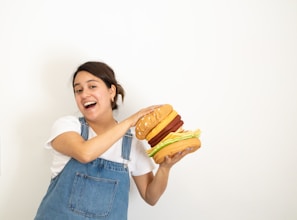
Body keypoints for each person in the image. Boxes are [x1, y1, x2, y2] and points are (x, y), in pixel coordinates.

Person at [34, 61, 193, 220]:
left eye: (92, 86)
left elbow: (150, 196)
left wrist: (165, 168)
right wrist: (130, 121)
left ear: (112, 91)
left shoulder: (131, 143)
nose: (84, 94)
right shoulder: (67, 126)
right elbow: (85, 153)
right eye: (78, 90)